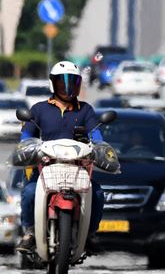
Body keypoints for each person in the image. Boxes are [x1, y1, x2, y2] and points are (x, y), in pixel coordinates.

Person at [16, 61, 105, 253]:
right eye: (62, 82)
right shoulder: (39, 109)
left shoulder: (86, 110)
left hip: (77, 169)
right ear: (52, 84)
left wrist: (100, 146)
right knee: (30, 192)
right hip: (46, 168)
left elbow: (96, 135)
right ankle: (30, 231)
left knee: (97, 193)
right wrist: (26, 146)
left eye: (72, 82)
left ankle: (90, 234)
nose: (67, 87)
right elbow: (27, 135)